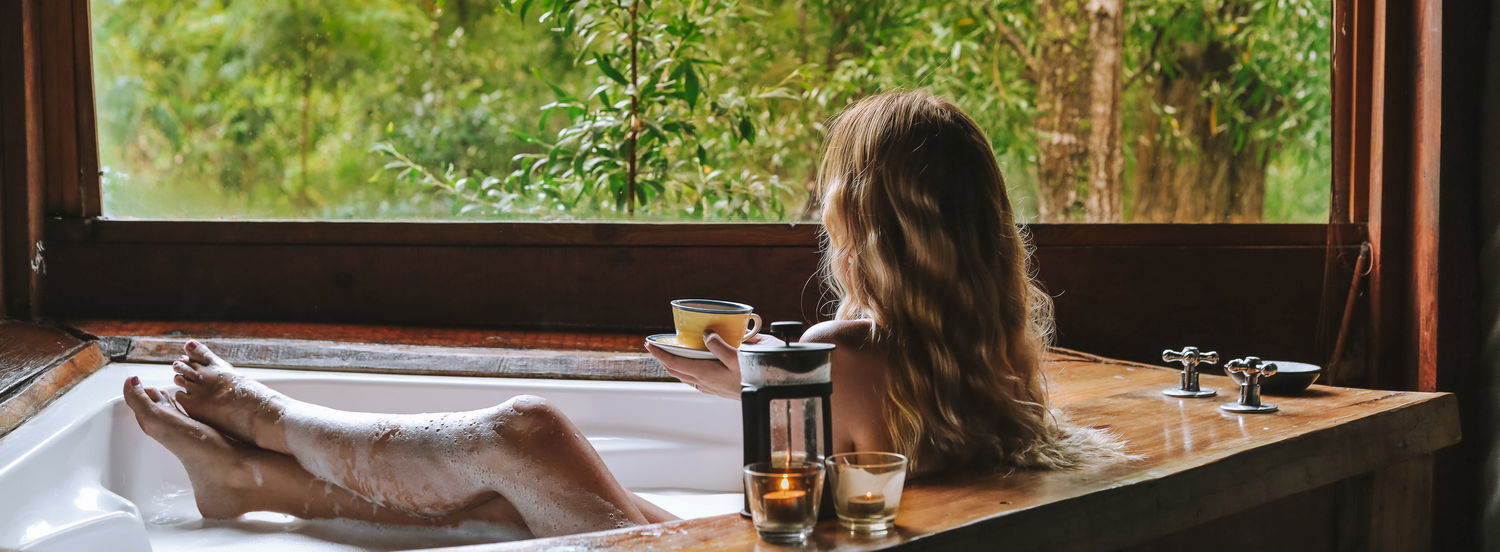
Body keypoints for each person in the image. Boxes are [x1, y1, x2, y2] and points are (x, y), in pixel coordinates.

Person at [123, 91, 1113, 539]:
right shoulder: (990, 348)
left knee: (525, 431)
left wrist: (775, 378)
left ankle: (266, 419)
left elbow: (772, 517)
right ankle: (252, 484)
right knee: (512, 504)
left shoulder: (839, 348)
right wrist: (756, 385)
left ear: (866, 222)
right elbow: (850, 465)